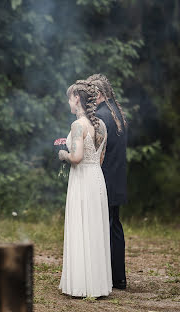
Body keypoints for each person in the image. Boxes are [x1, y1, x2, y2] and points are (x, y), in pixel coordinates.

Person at [58, 81, 112, 297]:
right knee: (95, 229)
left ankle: (80, 286)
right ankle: (97, 285)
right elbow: (100, 158)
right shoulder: (101, 124)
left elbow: (77, 158)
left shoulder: (78, 125)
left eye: (70, 98)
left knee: (81, 225)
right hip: (96, 179)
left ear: (77, 98)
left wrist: (63, 155)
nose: (68, 102)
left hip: (81, 180)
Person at [86, 74, 128, 290]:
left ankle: (109, 277)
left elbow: (95, 152)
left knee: (106, 228)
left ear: (100, 94)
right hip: (117, 178)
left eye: (91, 94)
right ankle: (118, 277)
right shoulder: (116, 113)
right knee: (114, 227)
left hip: (106, 179)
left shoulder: (102, 116)